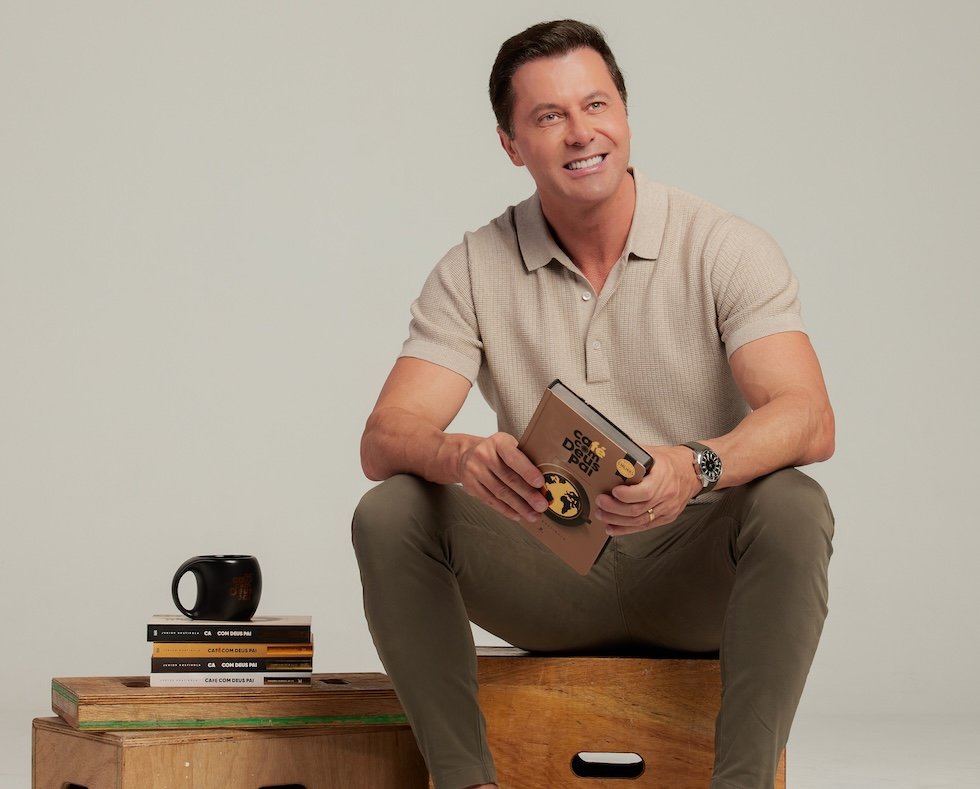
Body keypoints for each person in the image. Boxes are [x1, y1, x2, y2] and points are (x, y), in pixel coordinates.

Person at [352, 19, 835, 789]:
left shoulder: (722, 246)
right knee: (391, 510)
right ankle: (466, 780)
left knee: (796, 503)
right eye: (549, 116)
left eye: (596, 105)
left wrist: (694, 465)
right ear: (512, 144)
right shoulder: (474, 267)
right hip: (552, 569)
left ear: (626, 115)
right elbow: (384, 437)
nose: (581, 133)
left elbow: (808, 415)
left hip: (694, 570)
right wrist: (461, 454)